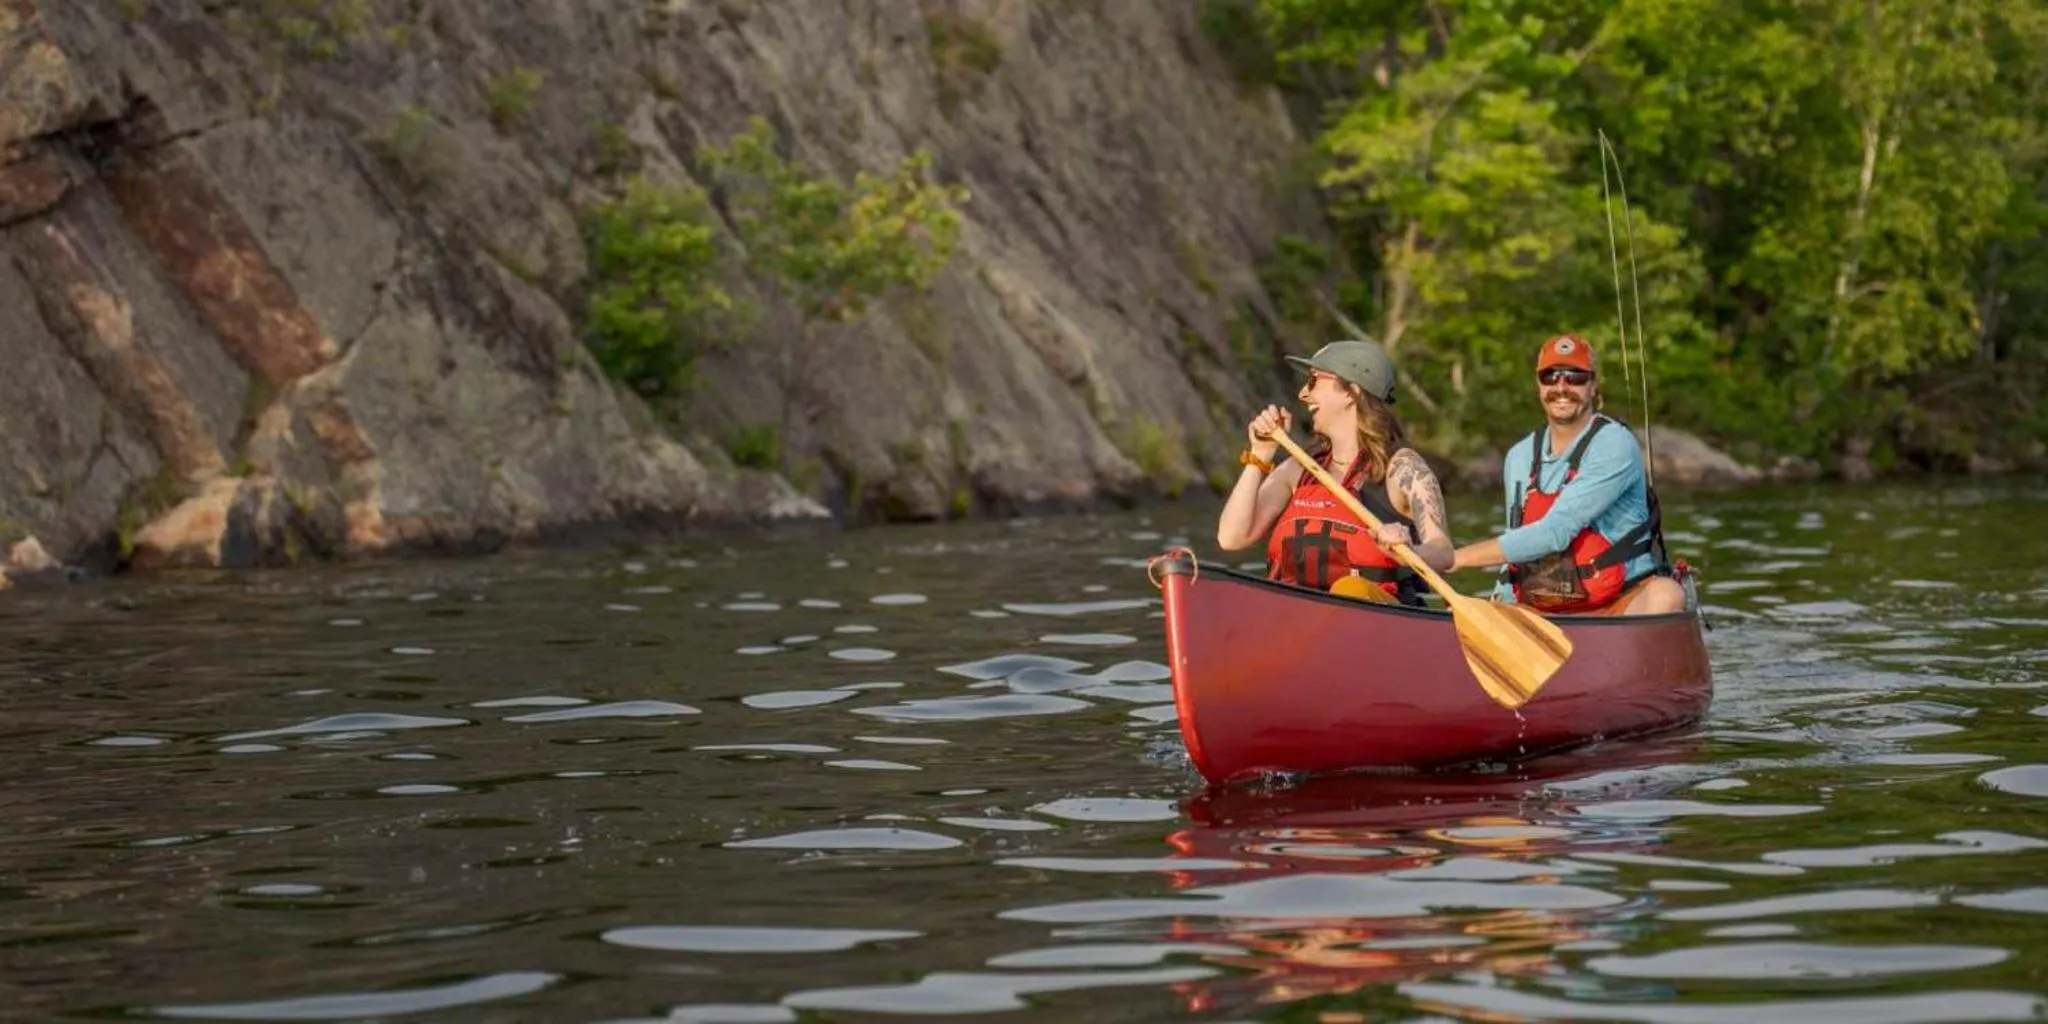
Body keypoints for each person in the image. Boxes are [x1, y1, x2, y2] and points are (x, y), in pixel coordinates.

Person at [1451, 333, 1687, 615]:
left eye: (1575, 377)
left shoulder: (1614, 443)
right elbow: (1516, 538)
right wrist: (1499, 602)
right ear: (1539, 385)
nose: (1561, 387)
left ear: (1593, 385)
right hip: (1544, 606)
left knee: (1667, 594)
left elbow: (1556, 532)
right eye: (1550, 376)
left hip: (1621, 599)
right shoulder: (1519, 455)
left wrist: (1455, 558)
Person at [1216, 339, 1455, 605]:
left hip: (1377, 624)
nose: (1303, 394)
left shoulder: (1404, 468)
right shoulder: (1297, 469)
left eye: (1313, 380)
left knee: (1351, 589)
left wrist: (1410, 551)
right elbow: (1231, 538)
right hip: (1295, 621)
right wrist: (1259, 455)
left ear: (1351, 391)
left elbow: (1443, 552)